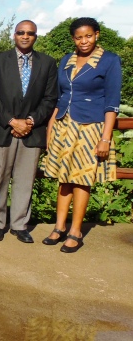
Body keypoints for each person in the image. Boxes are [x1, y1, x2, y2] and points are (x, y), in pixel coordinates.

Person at [42, 17, 121, 253]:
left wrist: (105, 138)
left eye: (88, 36)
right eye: (79, 37)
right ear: (73, 39)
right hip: (64, 124)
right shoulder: (67, 60)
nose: (84, 41)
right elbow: (61, 96)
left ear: (97, 34)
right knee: (63, 178)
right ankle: (59, 227)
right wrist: (50, 128)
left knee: (82, 178)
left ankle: (75, 231)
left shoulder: (109, 60)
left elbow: (112, 103)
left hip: (91, 127)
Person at [0, 20, 58, 243]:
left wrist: (29, 120)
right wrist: (11, 121)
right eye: (21, 32)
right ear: (14, 35)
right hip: (3, 129)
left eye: (30, 33)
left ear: (36, 36)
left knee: (25, 180)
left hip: (32, 131)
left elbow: (50, 98)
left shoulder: (47, 63)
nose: (25, 36)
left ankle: (19, 224)